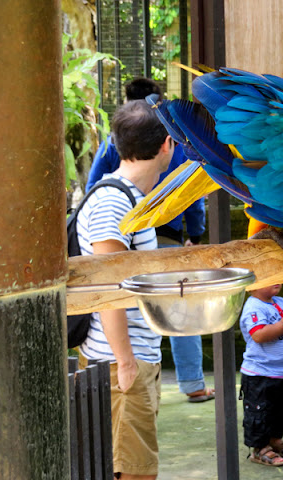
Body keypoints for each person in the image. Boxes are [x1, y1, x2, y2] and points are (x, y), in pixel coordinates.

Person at [87, 77, 212, 403]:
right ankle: (193, 383)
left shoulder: (116, 141)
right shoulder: (167, 140)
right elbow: (192, 195)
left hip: (143, 236)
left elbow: (92, 183)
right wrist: (195, 234)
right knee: (180, 307)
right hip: (163, 236)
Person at [77, 100, 175, 479]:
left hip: (131, 358)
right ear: (168, 144)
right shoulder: (113, 202)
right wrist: (127, 362)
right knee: (133, 473)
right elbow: (108, 286)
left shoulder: (132, 199)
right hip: (118, 363)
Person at [239, 284, 283, 467]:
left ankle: (275, 441)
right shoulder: (253, 307)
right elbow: (258, 335)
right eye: (269, 279)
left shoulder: (280, 302)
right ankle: (259, 448)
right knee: (259, 412)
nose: (277, 281)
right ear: (253, 285)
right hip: (260, 373)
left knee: (280, 411)